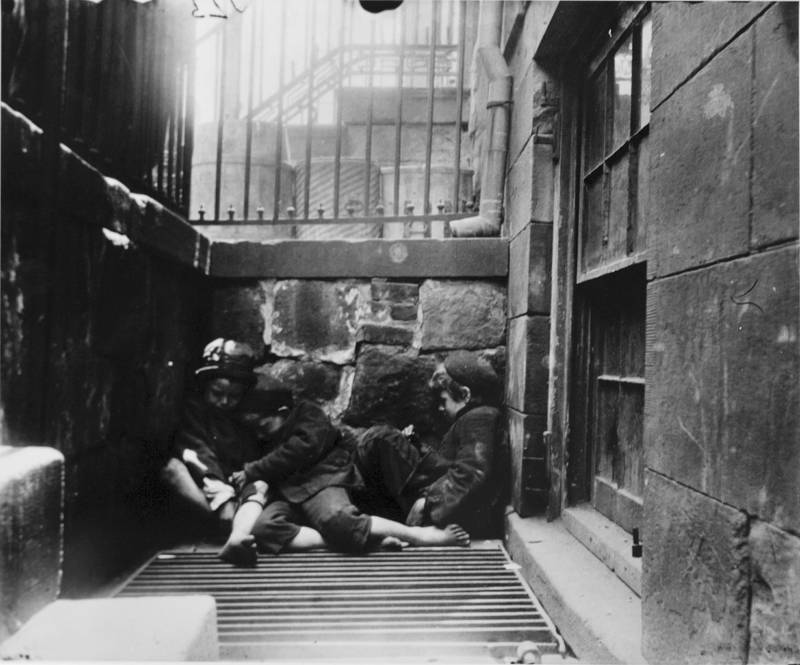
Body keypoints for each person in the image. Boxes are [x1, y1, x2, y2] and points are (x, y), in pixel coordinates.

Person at [226, 382, 470, 563]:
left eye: (263, 426)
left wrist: (252, 470)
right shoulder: (259, 436)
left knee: (338, 521)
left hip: (320, 480)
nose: (260, 434)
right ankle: (369, 542)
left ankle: (419, 535)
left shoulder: (307, 415)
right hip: (286, 491)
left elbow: (302, 447)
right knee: (264, 529)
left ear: (282, 412)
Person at [355, 351, 506, 539]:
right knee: (382, 441)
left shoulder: (479, 418)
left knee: (380, 439)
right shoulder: (476, 418)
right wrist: (418, 447)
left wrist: (426, 503)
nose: (441, 408)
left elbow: (472, 472)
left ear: (465, 394)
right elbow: (451, 464)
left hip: (451, 514)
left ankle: (360, 521)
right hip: (446, 501)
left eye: (443, 400)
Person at [160, 338, 268, 547]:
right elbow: (199, 455)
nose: (225, 402)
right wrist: (223, 499)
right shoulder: (195, 413)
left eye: (234, 396)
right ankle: (219, 524)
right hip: (208, 490)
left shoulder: (243, 419)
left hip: (237, 491)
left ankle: (234, 526)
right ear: (205, 387)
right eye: (217, 393)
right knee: (172, 470)